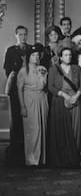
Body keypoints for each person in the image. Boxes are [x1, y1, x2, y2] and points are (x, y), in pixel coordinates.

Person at [47, 47, 81, 167]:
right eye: (65, 55)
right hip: (60, 100)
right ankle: (63, 158)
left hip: (75, 100)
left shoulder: (77, 69)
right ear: (60, 57)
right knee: (61, 129)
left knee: (75, 128)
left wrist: (76, 96)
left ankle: (74, 157)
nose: (68, 57)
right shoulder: (53, 69)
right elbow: (51, 87)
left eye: (69, 55)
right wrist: (63, 95)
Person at [16, 43, 48, 166]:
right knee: (33, 129)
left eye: (37, 55)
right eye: (33, 55)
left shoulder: (42, 69)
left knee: (43, 128)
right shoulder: (23, 71)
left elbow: (43, 85)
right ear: (28, 57)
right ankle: (31, 160)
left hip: (41, 98)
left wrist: (41, 75)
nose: (35, 57)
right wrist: (22, 106)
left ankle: (41, 159)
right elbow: (19, 89)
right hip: (29, 100)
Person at [3, 25, 31, 165]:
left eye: (25, 34)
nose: (23, 37)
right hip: (15, 91)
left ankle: (29, 148)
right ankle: (16, 151)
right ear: (16, 35)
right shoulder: (11, 51)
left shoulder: (31, 49)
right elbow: (8, 70)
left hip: (30, 90)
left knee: (30, 119)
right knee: (16, 119)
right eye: (20, 34)